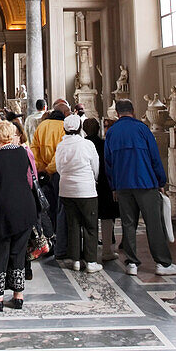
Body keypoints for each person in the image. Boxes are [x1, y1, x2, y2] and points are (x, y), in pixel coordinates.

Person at [104, 99, 176, 276]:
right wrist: (161, 181)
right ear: (133, 111)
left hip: (122, 184)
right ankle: (163, 263)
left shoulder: (112, 132)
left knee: (128, 224)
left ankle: (131, 262)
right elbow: (155, 157)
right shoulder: (142, 129)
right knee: (154, 223)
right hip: (145, 182)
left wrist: (114, 186)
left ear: (117, 113)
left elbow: (108, 163)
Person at [0, 120, 37, 311]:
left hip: (1, 211)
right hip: (24, 209)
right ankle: (18, 296)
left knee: (0, 254)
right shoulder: (22, 153)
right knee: (18, 254)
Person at [54, 113, 102, 273]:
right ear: (80, 128)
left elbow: (59, 168)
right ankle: (91, 261)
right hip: (86, 189)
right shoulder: (87, 145)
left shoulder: (61, 146)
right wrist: (92, 179)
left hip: (67, 189)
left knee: (73, 225)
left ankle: (75, 260)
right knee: (90, 226)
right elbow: (95, 166)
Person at [31, 98, 71, 258]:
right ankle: (61, 243)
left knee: (48, 209)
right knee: (61, 209)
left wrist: (41, 168)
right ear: (63, 113)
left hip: (44, 174)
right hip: (58, 173)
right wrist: (49, 170)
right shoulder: (63, 127)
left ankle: (50, 240)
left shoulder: (42, 126)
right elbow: (61, 153)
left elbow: (35, 149)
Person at [83, 117, 118, 261]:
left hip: (87, 184)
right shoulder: (105, 144)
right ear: (98, 129)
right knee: (107, 218)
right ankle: (107, 250)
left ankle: (88, 251)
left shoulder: (82, 145)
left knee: (88, 219)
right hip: (105, 184)